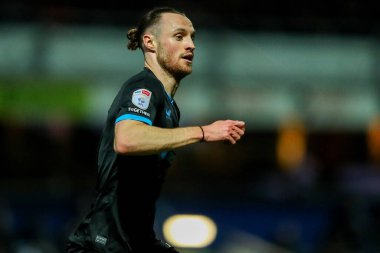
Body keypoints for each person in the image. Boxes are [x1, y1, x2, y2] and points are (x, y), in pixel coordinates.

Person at [66, 6, 245, 253]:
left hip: (133, 239)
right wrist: (204, 132)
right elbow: (127, 139)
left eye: (193, 37)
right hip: (105, 243)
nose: (191, 45)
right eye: (179, 36)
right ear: (150, 43)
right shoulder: (144, 86)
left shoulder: (169, 106)